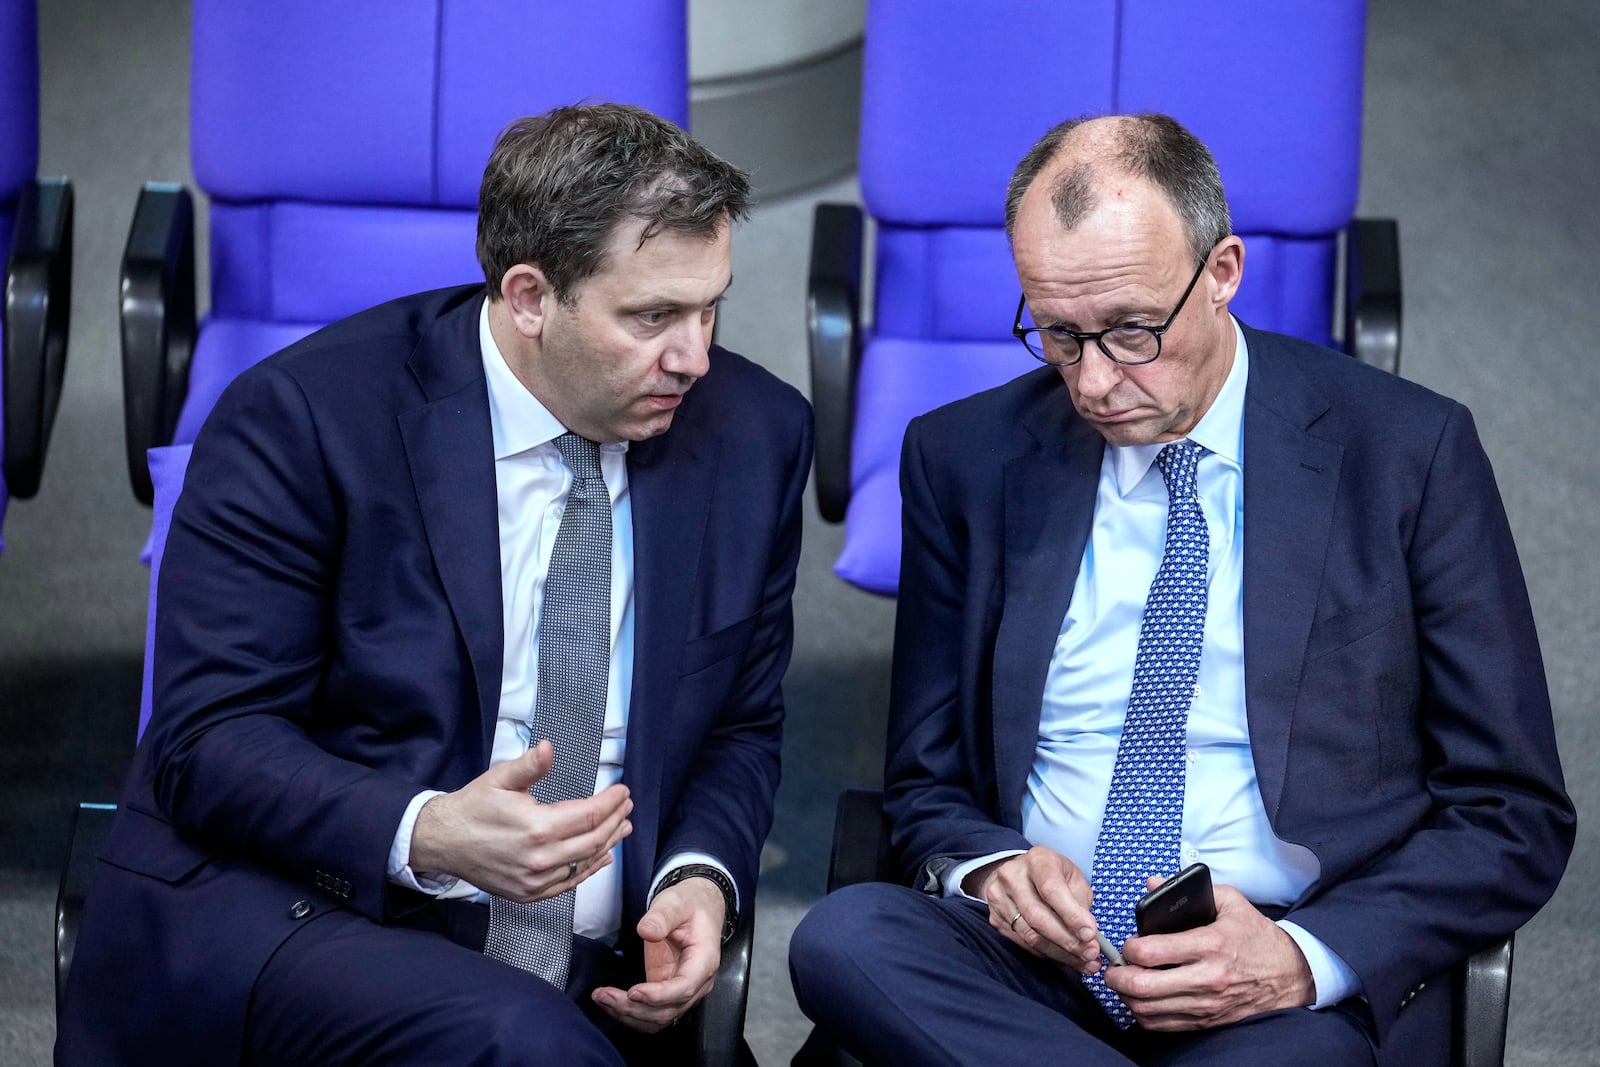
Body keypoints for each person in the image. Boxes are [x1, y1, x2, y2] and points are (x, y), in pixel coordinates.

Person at [788, 113, 1574, 1066]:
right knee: (844, 936)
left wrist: (1302, 957)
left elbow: (1511, 809)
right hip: (1036, 964)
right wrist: (993, 870)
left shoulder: (1406, 453)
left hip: (1273, 974)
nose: (1095, 382)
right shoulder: (965, 458)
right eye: (1058, 334)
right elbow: (925, 780)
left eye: (1131, 331)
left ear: (1224, 272)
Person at [57, 103, 812, 1065]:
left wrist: (698, 878)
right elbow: (208, 743)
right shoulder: (306, 420)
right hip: (317, 913)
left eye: (712, 308)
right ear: (531, 297)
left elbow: (741, 725)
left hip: (599, 972)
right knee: (524, 1045)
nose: (695, 358)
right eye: (652, 316)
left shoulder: (755, 435)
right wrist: (428, 831)